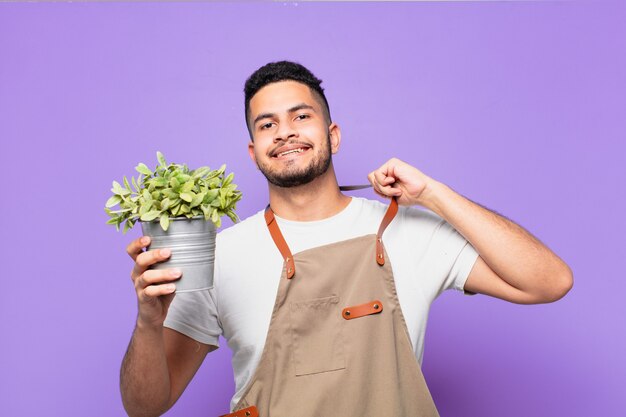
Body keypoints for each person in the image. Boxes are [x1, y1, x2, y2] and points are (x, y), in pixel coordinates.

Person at [120, 61, 573, 417]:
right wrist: (147, 321)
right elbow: (146, 407)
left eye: (301, 116)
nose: (285, 132)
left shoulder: (408, 232)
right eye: (267, 124)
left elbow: (549, 282)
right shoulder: (219, 256)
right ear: (253, 151)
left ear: (333, 136)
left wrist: (433, 195)